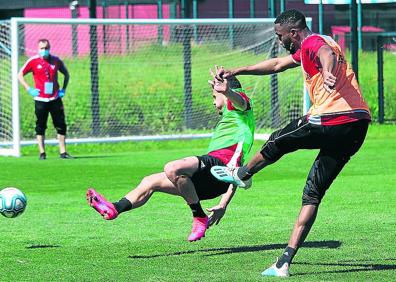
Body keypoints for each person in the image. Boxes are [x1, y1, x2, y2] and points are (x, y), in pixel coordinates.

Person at [210, 9, 371, 277]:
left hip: (334, 117)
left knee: (277, 140)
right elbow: (276, 65)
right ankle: (283, 262)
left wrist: (329, 72)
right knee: (312, 193)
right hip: (357, 126)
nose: (278, 40)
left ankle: (242, 173)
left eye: (280, 36)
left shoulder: (312, 42)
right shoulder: (317, 44)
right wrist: (236, 70)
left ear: (293, 33)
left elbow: (325, 55)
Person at [86, 71, 255, 242]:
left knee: (173, 168)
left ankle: (199, 216)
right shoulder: (231, 118)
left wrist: (227, 92)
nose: (213, 102)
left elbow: (239, 102)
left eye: (214, 96)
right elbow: (236, 175)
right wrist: (222, 205)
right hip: (211, 183)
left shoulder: (241, 105)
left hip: (219, 167)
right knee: (150, 182)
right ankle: (115, 208)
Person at [18, 38, 73, 160]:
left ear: (50, 48)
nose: (44, 50)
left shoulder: (56, 61)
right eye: (42, 48)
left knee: (60, 124)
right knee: (40, 125)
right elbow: (20, 74)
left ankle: (63, 152)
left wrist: (63, 89)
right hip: (40, 99)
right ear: (38, 49)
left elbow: (66, 74)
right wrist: (29, 89)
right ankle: (42, 153)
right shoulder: (32, 61)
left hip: (55, 98)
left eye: (46, 48)